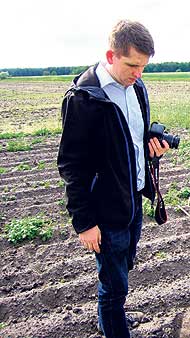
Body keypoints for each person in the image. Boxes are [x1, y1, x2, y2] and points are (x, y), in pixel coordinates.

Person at [57, 20, 169, 337]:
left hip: (131, 199)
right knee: (112, 282)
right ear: (111, 55)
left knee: (122, 266)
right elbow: (71, 164)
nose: (139, 73)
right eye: (133, 65)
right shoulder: (84, 99)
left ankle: (113, 312)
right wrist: (84, 222)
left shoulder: (137, 87)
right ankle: (113, 324)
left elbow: (132, 139)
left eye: (144, 66)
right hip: (104, 210)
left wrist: (151, 148)